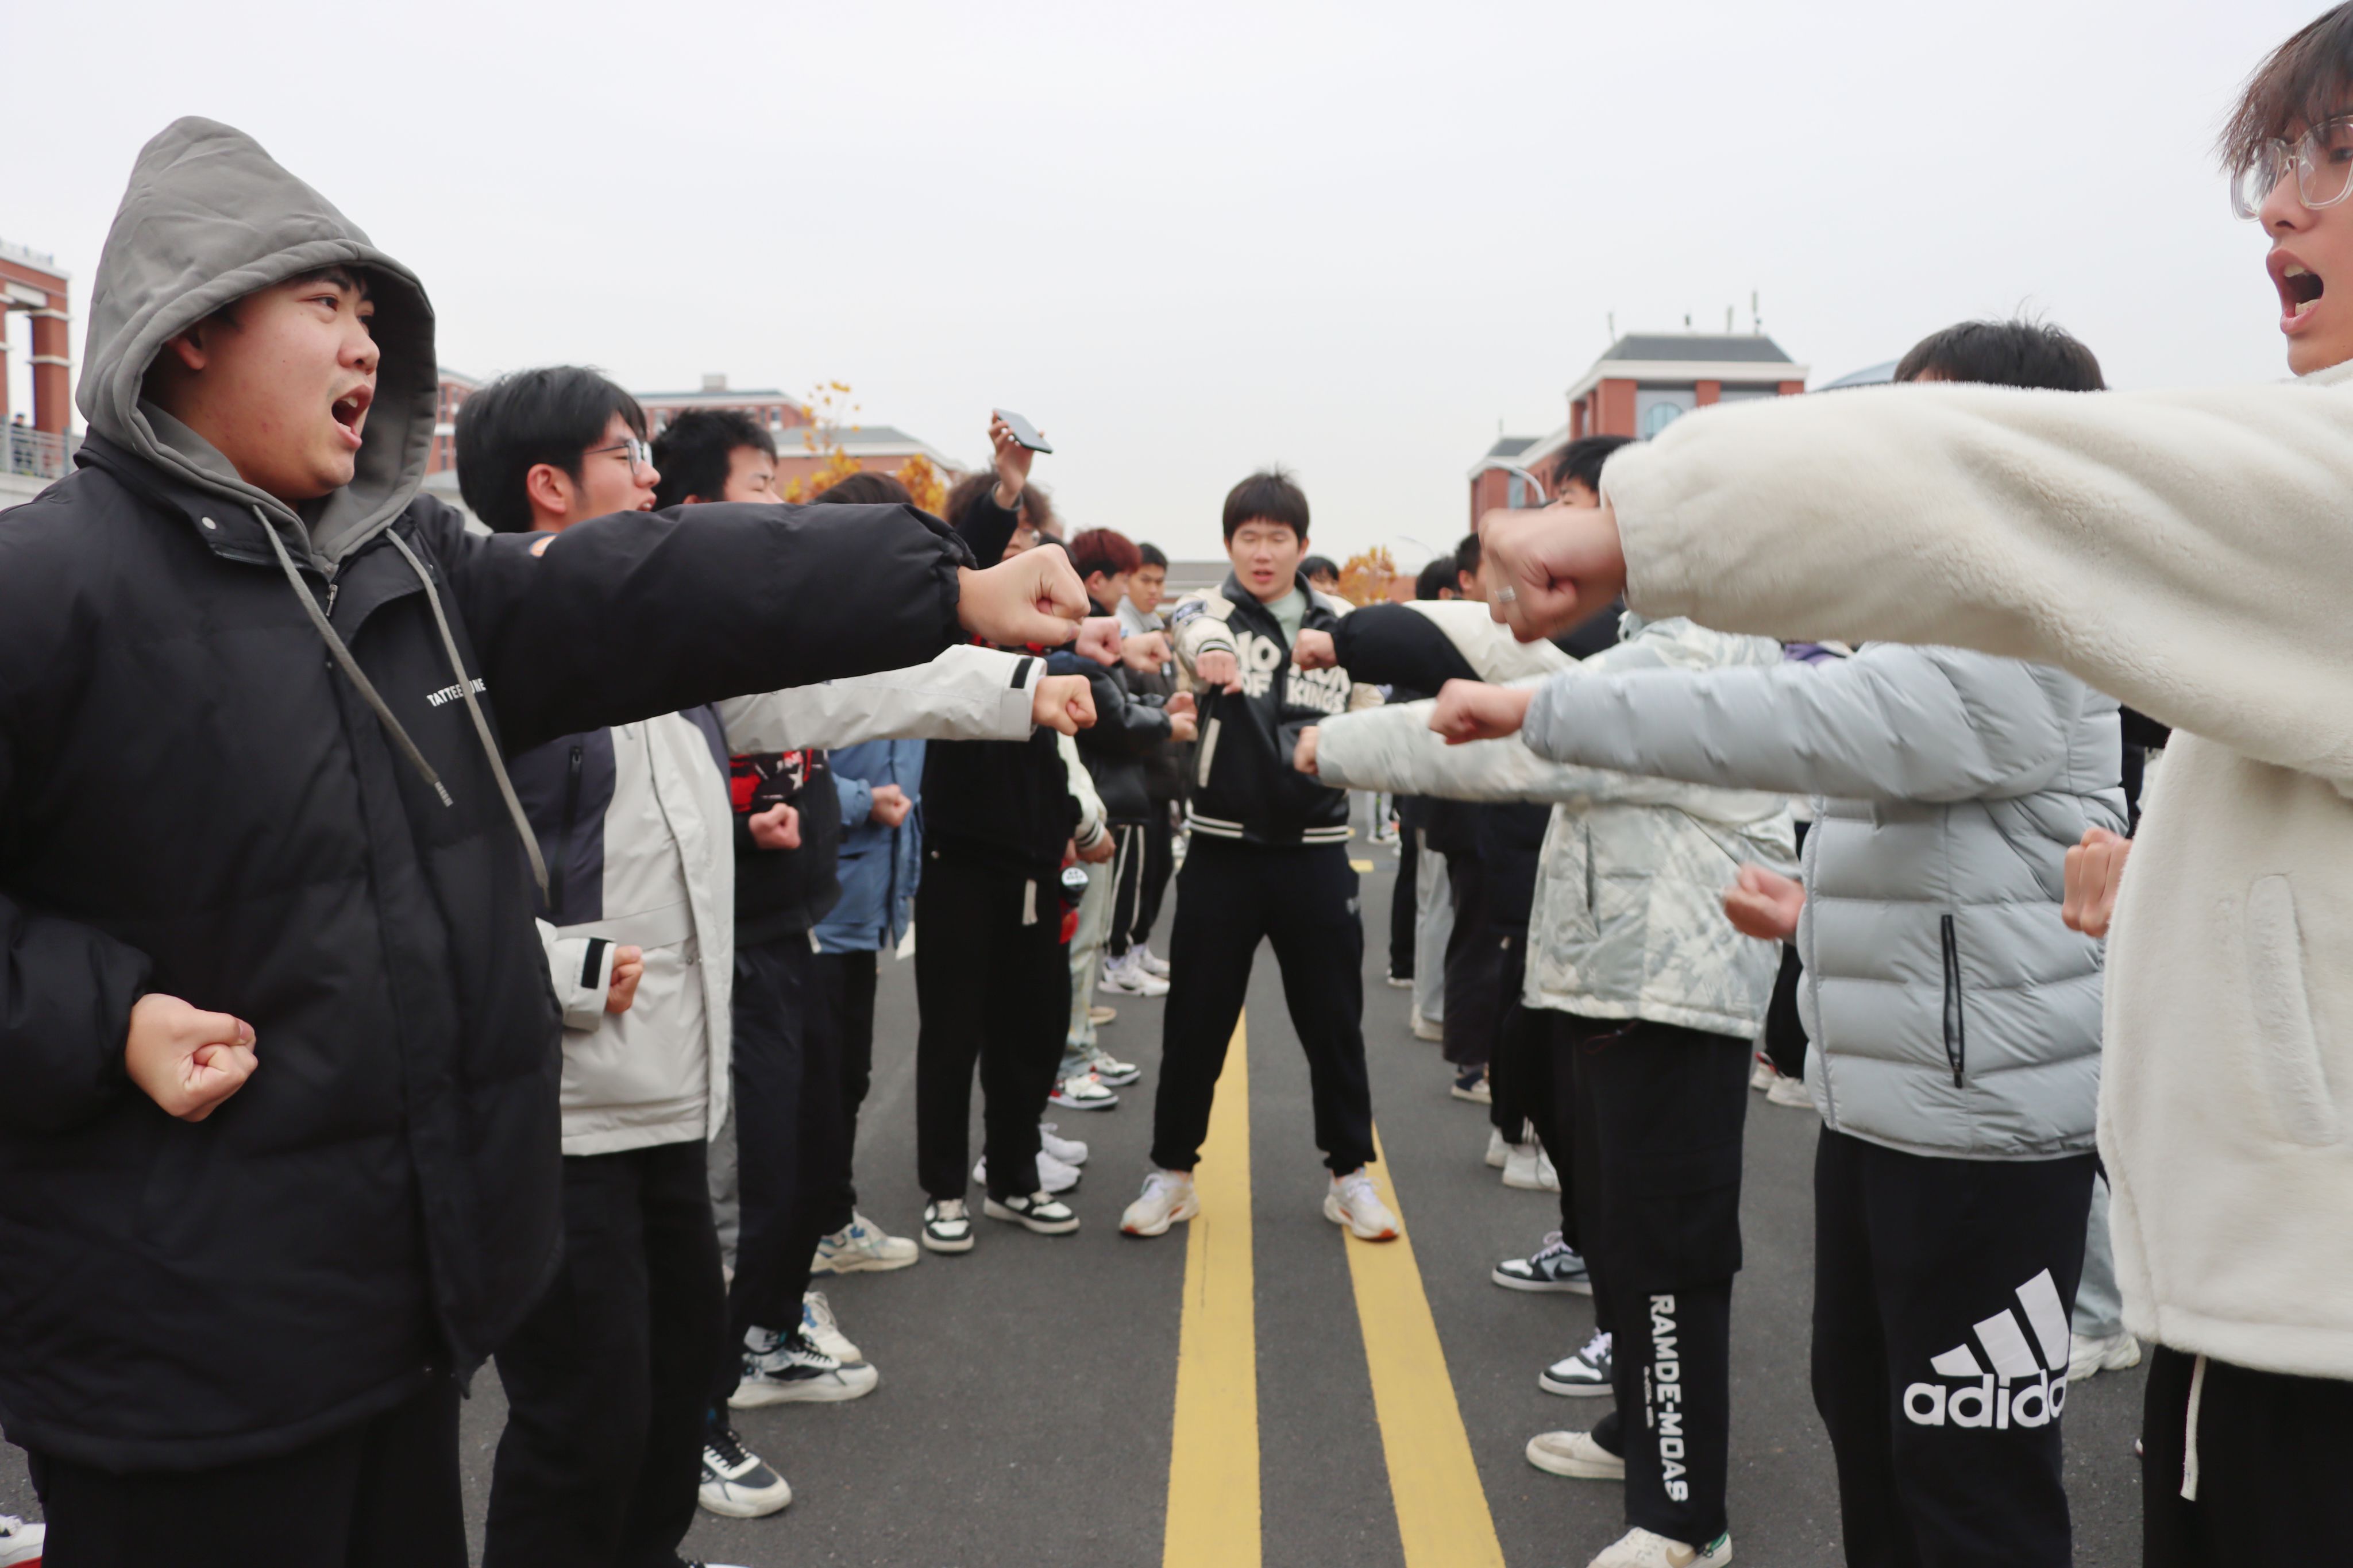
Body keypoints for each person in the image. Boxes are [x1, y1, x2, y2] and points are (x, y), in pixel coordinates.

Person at [0, 117, 1086, 1567]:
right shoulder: (47, 589)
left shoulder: (405, 579)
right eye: (321, 305)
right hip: (180, 1352)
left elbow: (650, 590)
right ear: (191, 327)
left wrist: (935, 589)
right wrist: (104, 1016)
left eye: (371, 315)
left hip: (399, 1319)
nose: (361, 348)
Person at [1453, 320, 2128, 1568]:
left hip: (1983, 1135)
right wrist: (1811, 921)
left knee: (1968, 1483)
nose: (1896, 459)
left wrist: (1557, 705)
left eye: (1928, 428)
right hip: (1884, 1112)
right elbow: (1945, 867)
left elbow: (1805, 721)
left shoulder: (2027, 615)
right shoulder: (1935, 611)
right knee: (1871, 1432)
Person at [1301, 585, 1793, 1568]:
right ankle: (1644, 1442)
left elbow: (1519, 737)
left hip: (1672, 993)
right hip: (1623, 983)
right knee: (1622, 1232)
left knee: (1668, 1254)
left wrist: (1319, 747)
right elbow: (1525, 673)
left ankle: (1686, 1515)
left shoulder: (1693, 657)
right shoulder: (1653, 642)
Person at [1118, 470, 1395, 1242]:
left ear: (1303, 546)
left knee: (1334, 1023)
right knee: (1196, 1022)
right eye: (1249, 537)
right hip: (1221, 851)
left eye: (1278, 538)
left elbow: (1372, 723)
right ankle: (1172, 1175)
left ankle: (1350, 1176)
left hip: (1317, 853)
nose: (1263, 552)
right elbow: (1193, 641)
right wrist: (1205, 674)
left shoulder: (1344, 624)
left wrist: (1335, 749)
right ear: (1230, 543)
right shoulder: (1204, 611)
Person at [912, 437, 1106, 1252]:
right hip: (960, 865)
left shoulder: (1040, 650)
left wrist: (1071, 824)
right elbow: (971, 566)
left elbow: (1049, 755)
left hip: (1036, 864)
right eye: (1016, 542)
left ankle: (1016, 1177)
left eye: (1035, 541)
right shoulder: (951, 634)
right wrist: (1006, 490)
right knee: (953, 1034)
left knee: (1033, 1030)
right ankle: (946, 1191)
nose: (1026, 557)